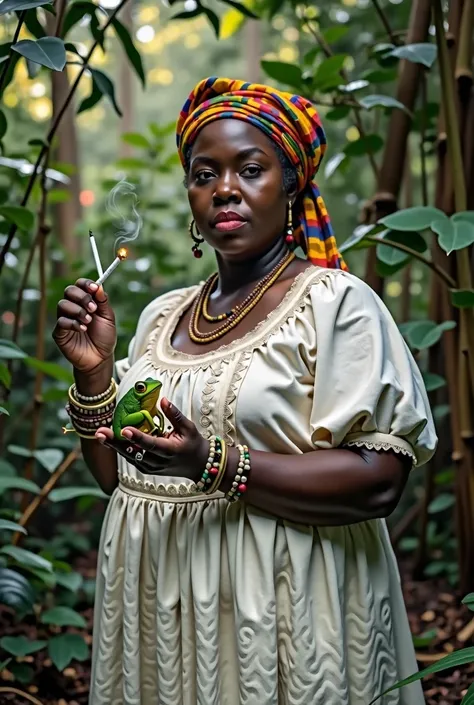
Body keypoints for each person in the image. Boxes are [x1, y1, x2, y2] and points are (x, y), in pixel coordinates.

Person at [52, 77, 437, 705]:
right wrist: (93, 374)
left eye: (250, 169)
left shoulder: (336, 305)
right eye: (205, 174)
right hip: (162, 607)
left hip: (286, 607)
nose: (224, 187)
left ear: (290, 189)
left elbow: (379, 480)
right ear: (191, 199)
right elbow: (121, 479)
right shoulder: (161, 317)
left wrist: (212, 462)